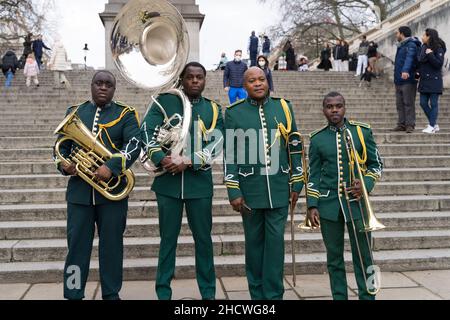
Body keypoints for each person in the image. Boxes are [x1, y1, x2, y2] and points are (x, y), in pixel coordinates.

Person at [53, 71, 141, 300]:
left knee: (112, 248)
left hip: (112, 194)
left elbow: (134, 145)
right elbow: (59, 150)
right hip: (79, 195)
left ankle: (111, 294)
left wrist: (111, 167)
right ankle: (73, 293)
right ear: (91, 85)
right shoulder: (75, 112)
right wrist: (65, 165)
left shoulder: (126, 114)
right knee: (76, 250)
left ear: (114, 89)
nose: (103, 87)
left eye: (108, 84)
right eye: (98, 83)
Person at [141, 62, 224, 300]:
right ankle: (163, 293)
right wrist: (160, 158)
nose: (195, 81)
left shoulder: (214, 109)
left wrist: (189, 161)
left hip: (199, 185)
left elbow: (218, 142)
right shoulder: (164, 102)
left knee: (204, 242)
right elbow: (146, 131)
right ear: (183, 79)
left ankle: (208, 294)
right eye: (190, 77)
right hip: (167, 185)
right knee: (167, 241)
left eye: (199, 77)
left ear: (205, 80)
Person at [224, 67, 304, 300]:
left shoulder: (284, 107)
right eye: (251, 81)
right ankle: (257, 295)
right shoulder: (234, 113)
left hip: (280, 189)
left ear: (267, 81)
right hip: (250, 192)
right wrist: (233, 189)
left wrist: (296, 183)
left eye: (261, 79)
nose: (258, 83)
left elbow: (295, 147)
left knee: (275, 247)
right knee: (254, 246)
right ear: (244, 85)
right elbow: (230, 154)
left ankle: (274, 295)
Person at [307, 91, 383, 300]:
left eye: (338, 106)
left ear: (344, 107)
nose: (334, 110)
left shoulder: (362, 132)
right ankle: (339, 296)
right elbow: (312, 174)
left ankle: (368, 296)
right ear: (324, 110)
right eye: (330, 106)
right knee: (334, 259)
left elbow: (376, 165)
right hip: (329, 205)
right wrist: (312, 204)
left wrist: (365, 185)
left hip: (359, 204)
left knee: (365, 256)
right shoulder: (318, 138)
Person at [417, 28, 447, 134]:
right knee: (422, 103)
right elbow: (420, 63)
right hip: (424, 80)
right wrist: (417, 75)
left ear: (429, 36)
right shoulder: (423, 47)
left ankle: (431, 126)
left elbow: (438, 64)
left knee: (434, 103)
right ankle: (434, 123)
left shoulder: (438, 48)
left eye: (424, 35)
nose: (422, 37)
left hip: (434, 80)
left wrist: (430, 54)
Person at [392, 26, 421, 133]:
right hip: (399, 80)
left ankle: (410, 124)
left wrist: (405, 71)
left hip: (408, 79)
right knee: (399, 103)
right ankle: (401, 124)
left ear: (402, 34)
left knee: (408, 102)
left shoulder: (411, 45)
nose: (396, 35)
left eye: (397, 33)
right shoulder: (401, 45)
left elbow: (410, 58)